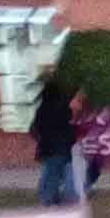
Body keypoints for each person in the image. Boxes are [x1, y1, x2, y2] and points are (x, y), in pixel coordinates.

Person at [31, 74, 80, 209]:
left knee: (51, 176)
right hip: (62, 149)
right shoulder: (64, 109)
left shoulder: (43, 109)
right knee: (60, 176)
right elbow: (72, 128)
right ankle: (59, 201)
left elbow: (34, 130)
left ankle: (50, 201)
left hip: (50, 149)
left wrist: (42, 139)